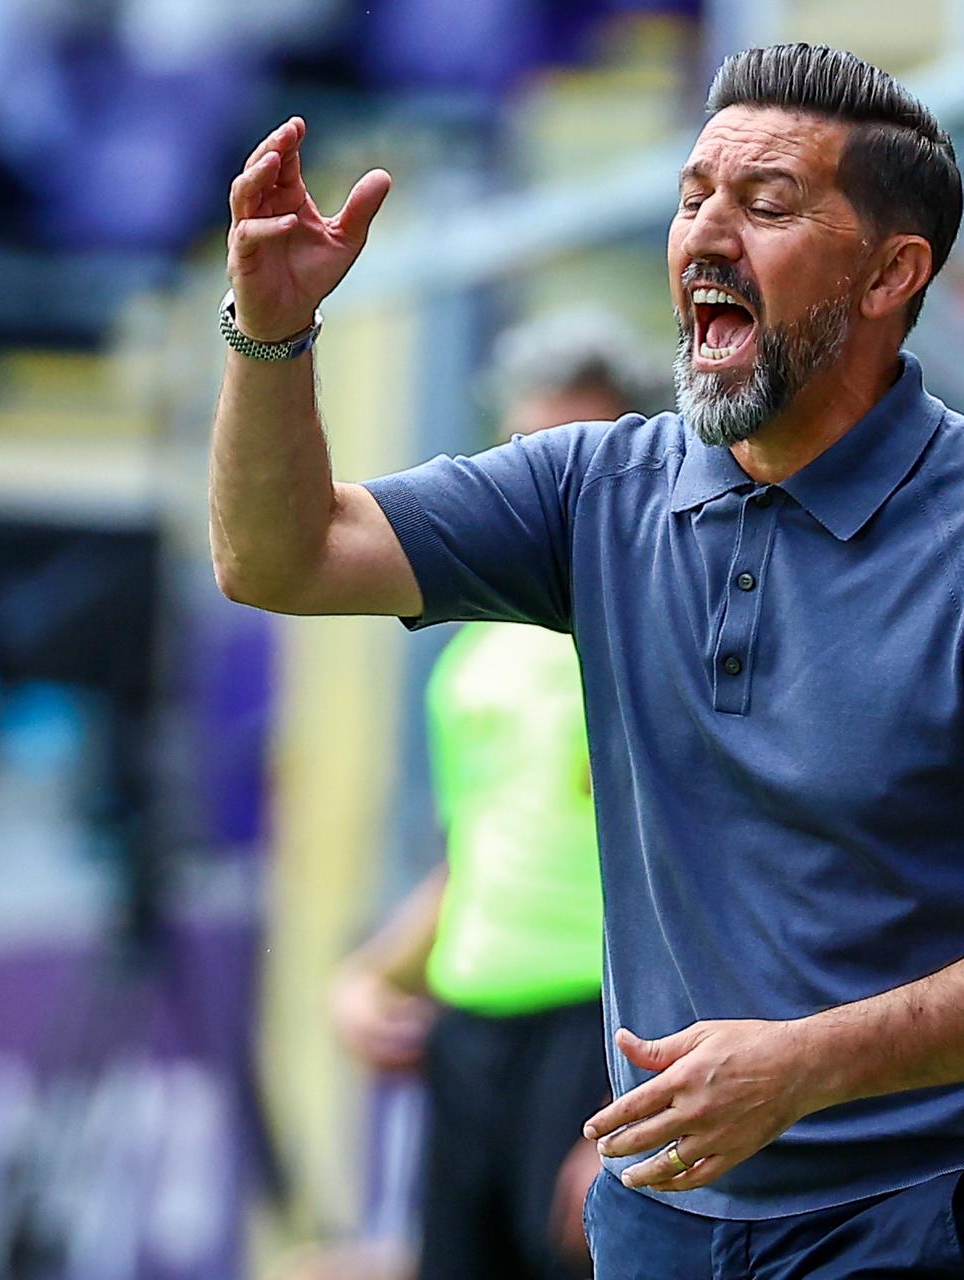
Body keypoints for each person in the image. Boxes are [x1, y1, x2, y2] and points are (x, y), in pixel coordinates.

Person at [211, 42, 964, 1279]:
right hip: (665, 1217)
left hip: (927, 1216)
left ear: (891, 273)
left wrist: (803, 1063)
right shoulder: (594, 487)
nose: (706, 232)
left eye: (765, 205)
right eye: (692, 196)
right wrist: (271, 336)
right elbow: (281, 557)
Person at [329, 313, 667, 1280]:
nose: (535, 479)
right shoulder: (473, 656)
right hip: (469, 1033)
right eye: (522, 448)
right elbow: (473, 857)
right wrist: (371, 978)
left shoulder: (652, 631)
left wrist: (638, 1096)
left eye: (565, 450)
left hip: (600, 1024)